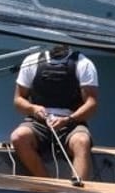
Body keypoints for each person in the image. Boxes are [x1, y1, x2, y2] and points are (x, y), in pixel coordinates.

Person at [10, 42, 98, 181]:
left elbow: (91, 103)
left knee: (82, 141)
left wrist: (69, 119)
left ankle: (78, 192)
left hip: (71, 123)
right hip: (38, 122)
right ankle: (48, 183)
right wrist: (33, 109)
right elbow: (18, 99)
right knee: (19, 137)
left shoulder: (84, 63)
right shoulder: (31, 61)